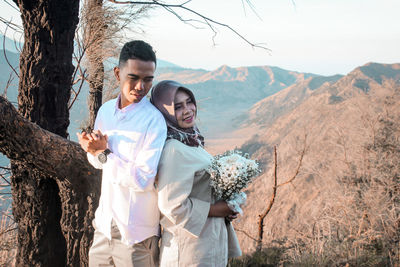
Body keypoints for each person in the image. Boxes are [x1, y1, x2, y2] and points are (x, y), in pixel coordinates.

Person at [77, 40, 167, 267]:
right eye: (134, 77)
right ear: (118, 73)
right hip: (104, 225)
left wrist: (104, 152)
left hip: (137, 233)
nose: (140, 86)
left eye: (148, 79)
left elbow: (144, 179)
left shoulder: (154, 120)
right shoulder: (106, 110)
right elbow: (98, 163)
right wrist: (91, 150)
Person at [150, 80, 242, 267]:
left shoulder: (191, 141)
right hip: (189, 251)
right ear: (164, 112)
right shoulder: (174, 148)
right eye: (177, 107)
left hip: (207, 244)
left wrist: (230, 205)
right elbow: (171, 206)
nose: (188, 110)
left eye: (189, 102)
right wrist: (217, 210)